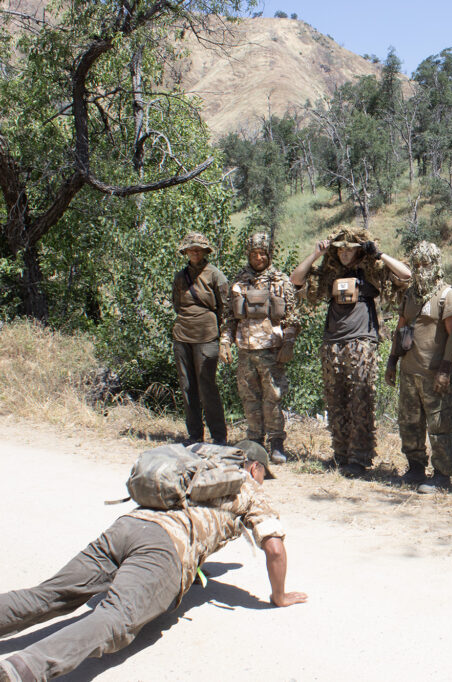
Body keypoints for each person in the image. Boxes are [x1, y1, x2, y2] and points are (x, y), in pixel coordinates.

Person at [0, 441, 307, 682]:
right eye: (265, 474)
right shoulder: (247, 485)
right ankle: (24, 669)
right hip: (163, 548)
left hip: (126, 528)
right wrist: (278, 597)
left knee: (50, 594)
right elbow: (275, 549)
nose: (264, 481)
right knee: (115, 619)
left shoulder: (196, 465)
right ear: (254, 467)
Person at [290, 227, 411, 476]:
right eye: (340, 249)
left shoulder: (372, 272)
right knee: (336, 401)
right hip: (332, 343)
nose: (345, 253)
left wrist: (380, 254)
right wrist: (315, 255)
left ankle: (360, 458)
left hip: (362, 343)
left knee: (361, 402)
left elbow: (405, 275)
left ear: (358, 250)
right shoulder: (329, 274)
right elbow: (296, 280)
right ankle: (341, 454)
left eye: (350, 249)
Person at [384, 241, 452, 494]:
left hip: (435, 375)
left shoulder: (447, 296)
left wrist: (445, 369)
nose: (421, 270)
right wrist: (392, 361)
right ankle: (415, 468)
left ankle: (442, 475)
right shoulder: (409, 295)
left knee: (440, 426)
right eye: (416, 264)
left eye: (426, 264)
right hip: (410, 372)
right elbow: (400, 328)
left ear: (437, 265)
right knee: (409, 423)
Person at [220, 232, 300, 465]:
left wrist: (289, 343)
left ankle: (277, 443)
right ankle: (255, 442)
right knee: (249, 399)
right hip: (245, 350)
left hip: (271, 351)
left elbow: (293, 318)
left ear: (269, 254)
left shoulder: (281, 281)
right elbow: (229, 317)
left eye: (262, 253)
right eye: (254, 253)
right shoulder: (239, 282)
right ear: (248, 254)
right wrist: (225, 342)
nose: (258, 257)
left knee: (273, 397)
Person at [171, 232, 229, 445]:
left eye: (199, 249)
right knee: (187, 387)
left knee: (207, 387)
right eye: (191, 248)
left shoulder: (215, 275)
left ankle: (219, 437)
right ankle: (195, 435)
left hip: (207, 337)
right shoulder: (180, 277)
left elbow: (226, 309)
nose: (195, 252)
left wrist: (224, 341)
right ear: (185, 251)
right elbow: (177, 304)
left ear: (206, 251)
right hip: (182, 335)